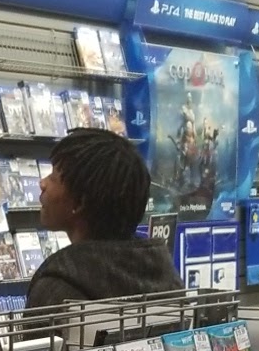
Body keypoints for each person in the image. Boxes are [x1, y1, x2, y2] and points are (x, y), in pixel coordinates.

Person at [26, 128, 182, 311]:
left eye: (53, 178)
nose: (42, 183)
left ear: (80, 202)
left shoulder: (56, 289)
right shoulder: (167, 278)